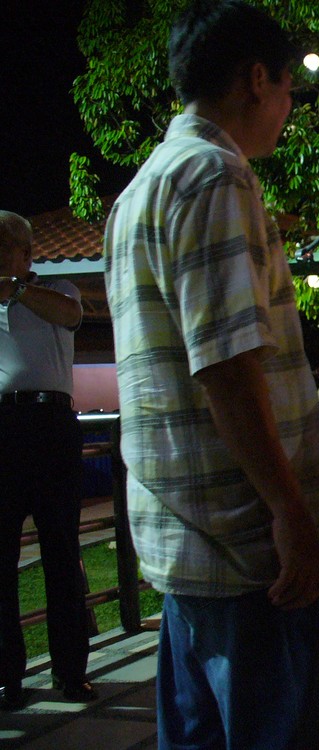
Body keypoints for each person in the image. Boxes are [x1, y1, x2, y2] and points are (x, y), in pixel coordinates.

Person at [103, 2, 319, 748]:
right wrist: (291, 512)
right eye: (288, 90)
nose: (289, 109)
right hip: (248, 554)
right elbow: (228, 366)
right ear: (257, 78)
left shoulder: (138, 192)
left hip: (185, 543)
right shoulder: (215, 175)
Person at [0, 210, 96, 711]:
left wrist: (15, 289)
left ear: (25, 253)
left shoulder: (57, 289)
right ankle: (6, 678)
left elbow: (70, 315)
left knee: (61, 552)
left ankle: (71, 672)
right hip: (4, 428)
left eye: (1, 249)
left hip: (51, 425)